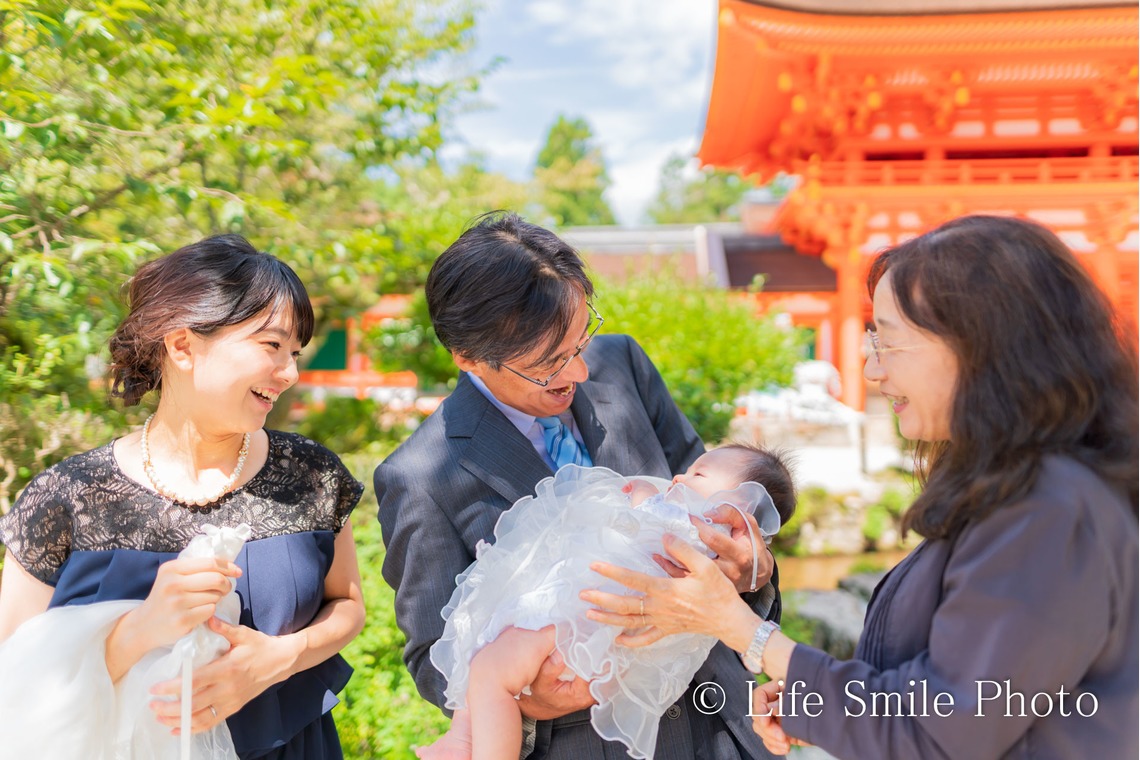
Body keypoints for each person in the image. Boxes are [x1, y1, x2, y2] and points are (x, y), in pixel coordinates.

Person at [582, 215, 1139, 759]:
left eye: (889, 343)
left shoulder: (1049, 509)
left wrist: (740, 627)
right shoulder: (1035, 491)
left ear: (981, 347)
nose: (873, 371)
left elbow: (945, 732)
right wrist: (811, 699)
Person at [375, 211, 781, 759]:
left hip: (720, 729)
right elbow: (431, 653)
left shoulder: (625, 366)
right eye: (549, 364)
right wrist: (530, 696)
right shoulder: (420, 475)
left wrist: (753, 570)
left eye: (579, 342)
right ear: (469, 358)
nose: (579, 373)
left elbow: (714, 501)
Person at [0, 234, 366, 759]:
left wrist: (278, 658)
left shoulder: (312, 475)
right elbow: (14, 678)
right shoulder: (64, 498)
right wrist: (139, 631)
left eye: (294, 352)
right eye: (270, 345)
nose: (289, 373)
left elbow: (348, 606)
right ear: (181, 345)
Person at [419, 444, 794, 760]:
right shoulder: (418, 471)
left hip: (585, 620)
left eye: (697, 475)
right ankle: (463, 738)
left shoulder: (698, 526)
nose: (678, 477)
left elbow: (669, 529)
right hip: (575, 629)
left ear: (739, 506)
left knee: (489, 669)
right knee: (481, 659)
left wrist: (755, 573)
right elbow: (424, 645)